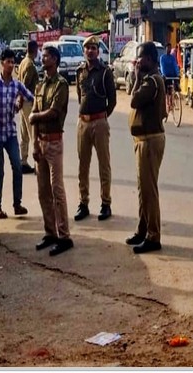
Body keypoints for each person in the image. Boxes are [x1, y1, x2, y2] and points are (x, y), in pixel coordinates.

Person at [0, 48, 35, 219]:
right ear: (1, 63)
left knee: (17, 167)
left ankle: (17, 204)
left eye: (13, 62)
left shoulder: (17, 85)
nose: (11, 65)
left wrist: (21, 101)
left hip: (10, 132)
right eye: (8, 62)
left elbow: (31, 96)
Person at [29, 45, 73, 256]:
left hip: (55, 142)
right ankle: (50, 232)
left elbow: (54, 112)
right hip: (42, 142)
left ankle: (64, 235)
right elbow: (36, 113)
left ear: (54, 59)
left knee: (57, 190)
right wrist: (35, 142)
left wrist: (35, 117)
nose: (42, 58)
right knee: (43, 191)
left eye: (46, 56)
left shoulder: (61, 85)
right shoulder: (40, 84)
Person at [125, 42, 167, 254]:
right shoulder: (150, 80)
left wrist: (138, 76)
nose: (138, 62)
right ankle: (142, 229)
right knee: (143, 188)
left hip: (150, 140)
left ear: (150, 59)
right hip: (143, 139)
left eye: (141, 59)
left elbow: (133, 100)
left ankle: (153, 235)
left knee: (149, 190)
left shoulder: (152, 81)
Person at [74, 35, 117, 222]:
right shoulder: (79, 71)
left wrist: (102, 116)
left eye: (93, 48)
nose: (90, 51)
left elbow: (112, 100)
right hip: (83, 122)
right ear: (84, 51)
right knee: (83, 165)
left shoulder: (105, 72)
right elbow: (79, 94)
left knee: (103, 164)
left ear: (98, 51)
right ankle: (83, 203)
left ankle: (105, 203)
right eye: (87, 48)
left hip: (100, 122)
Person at [17, 40, 39, 175]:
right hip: (28, 102)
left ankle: (23, 161)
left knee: (24, 134)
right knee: (33, 134)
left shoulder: (23, 62)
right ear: (35, 50)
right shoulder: (30, 65)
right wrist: (21, 98)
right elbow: (24, 85)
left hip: (22, 102)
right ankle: (38, 164)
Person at [160, 44, 180, 111]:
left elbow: (175, 65)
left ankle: (175, 98)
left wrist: (177, 73)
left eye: (170, 48)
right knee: (166, 90)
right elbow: (162, 67)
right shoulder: (162, 57)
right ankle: (167, 103)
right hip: (166, 75)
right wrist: (163, 74)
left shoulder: (172, 57)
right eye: (168, 48)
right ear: (165, 49)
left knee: (175, 86)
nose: (169, 49)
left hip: (173, 75)